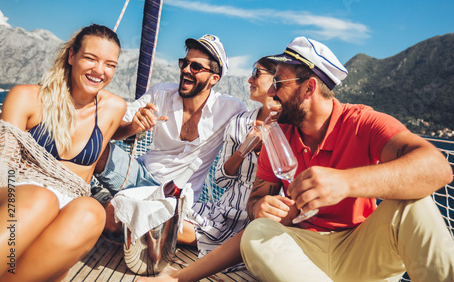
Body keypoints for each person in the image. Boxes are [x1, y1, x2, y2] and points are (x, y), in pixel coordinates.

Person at [239, 36, 454, 281]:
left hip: (361, 249)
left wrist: (344, 183)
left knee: (413, 204)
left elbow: (437, 167)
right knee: (256, 232)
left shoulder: (362, 122)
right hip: (303, 250)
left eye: (278, 81)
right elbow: (255, 198)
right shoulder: (277, 134)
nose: (272, 90)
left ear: (309, 88)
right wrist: (259, 207)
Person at [0, 24, 126, 281]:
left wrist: (134, 126)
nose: (99, 71)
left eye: (110, 64)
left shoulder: (114, 108)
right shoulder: (26, 97)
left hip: (69, 202)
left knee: (92, 212)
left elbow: (88, 176)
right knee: (42, 199)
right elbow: (4, 171)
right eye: (91, 58)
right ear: (72, 56)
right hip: (18, 198)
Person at [136, 56, 277, 282]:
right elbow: (221, 179)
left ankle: (174, 268)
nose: (250, 79)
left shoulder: (289, 129)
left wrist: (263, 153)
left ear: (276, 80)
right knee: (155, 217)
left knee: (161, 228)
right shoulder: (240, 121)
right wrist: (243, 150)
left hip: (255, 216)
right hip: (221, 212)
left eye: (257, 73)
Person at [93, 34, 247, 232]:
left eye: (196, 67)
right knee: (95, 145)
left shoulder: (230, 109)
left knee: (111, 218)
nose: (185, 70)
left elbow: (259, 123)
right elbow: (115, 128)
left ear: (214, 79)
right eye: (185, 63)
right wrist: (133, 127)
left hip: (176, 197)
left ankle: (112, 205)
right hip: (138, 175)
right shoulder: (160, 93)